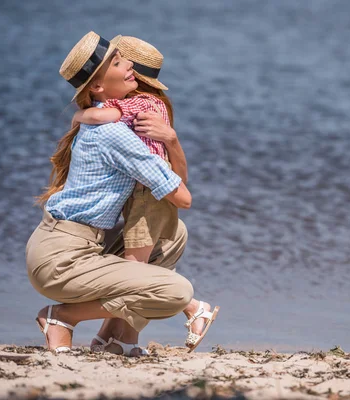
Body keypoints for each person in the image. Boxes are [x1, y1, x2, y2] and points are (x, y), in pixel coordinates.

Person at [26, 31, 202, 354]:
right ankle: (62, 317)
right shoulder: (114, 133)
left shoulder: (103, 120)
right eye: (119, 62)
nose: (129, 66)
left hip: (75, 244)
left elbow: (178, 191)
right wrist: (167, 145)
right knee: (178, 292)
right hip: (62, 259)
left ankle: (113, 338)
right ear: (97, 87)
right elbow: (184, 197)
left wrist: (171, 139)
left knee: (173, 235)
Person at [71, 36, 219, 355]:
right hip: (148, 192)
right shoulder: (158, 103)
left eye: (121, 62)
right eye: (115, 61)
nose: (120, 66)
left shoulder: (138, 104)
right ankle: (116, 338)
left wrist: (80, 114)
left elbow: (104, 116)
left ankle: (193, 307)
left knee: (132, 272)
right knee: (139, 267)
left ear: (133, 75)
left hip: (146, 193)